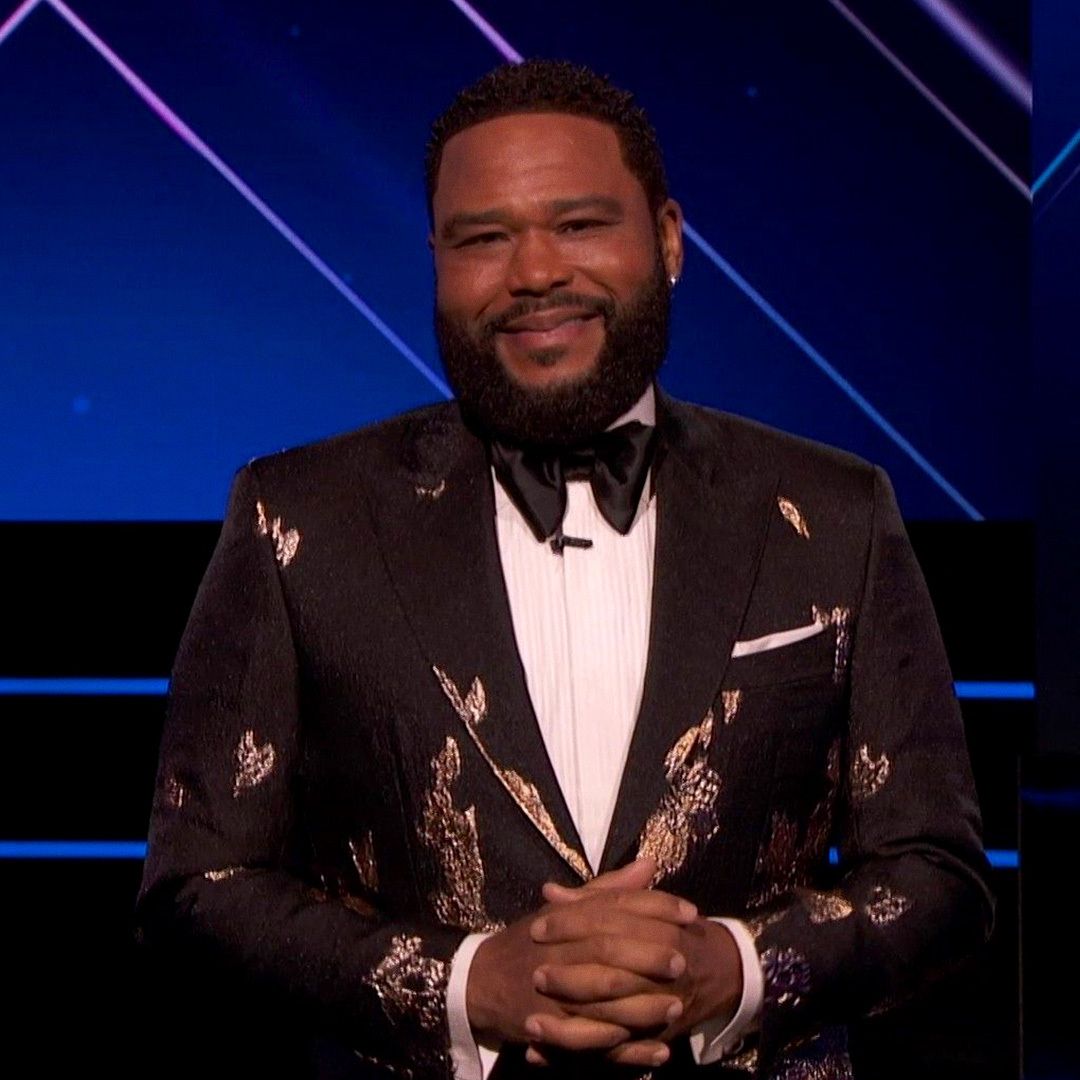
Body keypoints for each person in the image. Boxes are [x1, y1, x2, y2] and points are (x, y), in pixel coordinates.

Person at [135, 60, 993, 1079]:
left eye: (581, 224)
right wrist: (464, 986)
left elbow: (939, 877)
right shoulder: (298, 517)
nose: (535, 270)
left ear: (668, 240)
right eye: (484, 237)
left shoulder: (837, 510)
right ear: (438, 261)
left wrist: (735, 968)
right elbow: (198, 883)